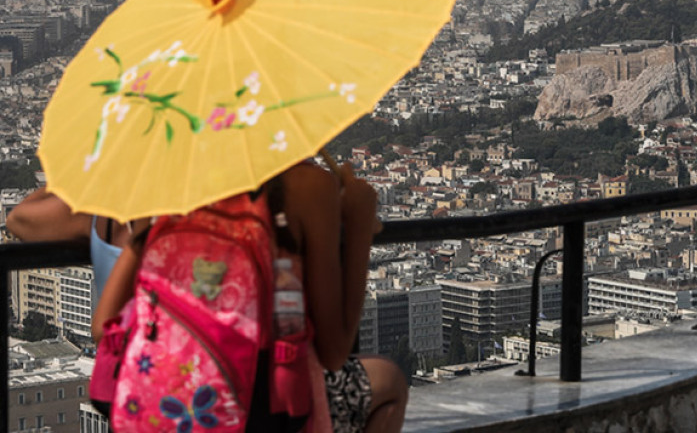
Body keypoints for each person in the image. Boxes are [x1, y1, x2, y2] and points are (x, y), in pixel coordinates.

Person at [91, 161, 407, 433]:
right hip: (265, 407)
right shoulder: (306, 185)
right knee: (389, 380)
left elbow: (102, 327)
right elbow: (335, 352)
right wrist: (360, 226)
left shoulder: (165, 186)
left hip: (166, 406)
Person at [7, 189, 140, 310]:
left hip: (124, 331)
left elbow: (17, 220)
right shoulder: (155, 220)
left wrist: (74, 177)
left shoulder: (97, 212)